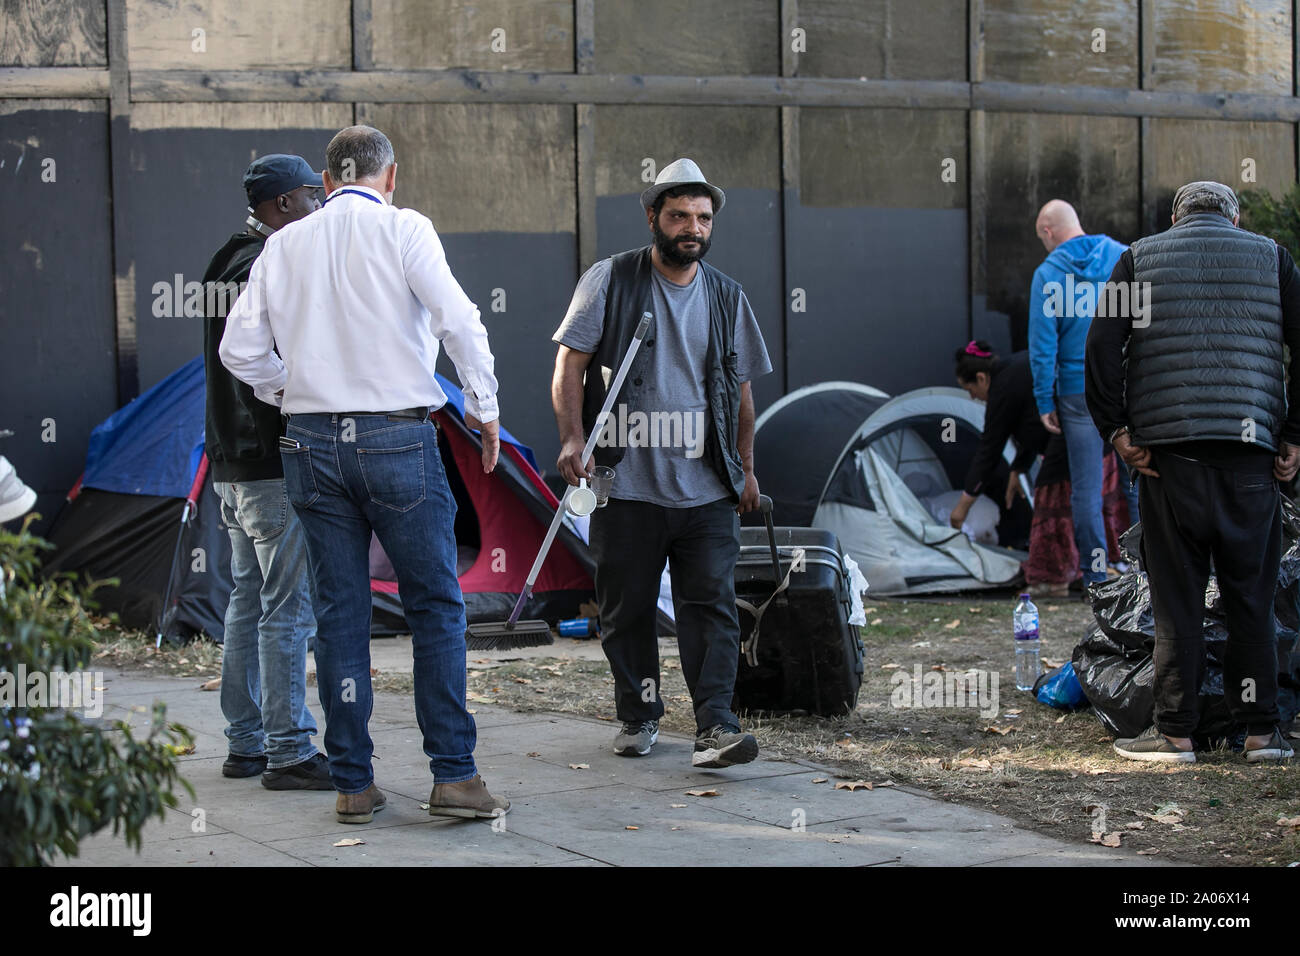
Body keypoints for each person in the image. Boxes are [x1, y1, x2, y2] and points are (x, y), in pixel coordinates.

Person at [220, 125, 511, 822]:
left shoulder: (283, 244)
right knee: (435, 607)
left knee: (339, 614)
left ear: (325, 183)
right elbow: (460, 322)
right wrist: (484, 407)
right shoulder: (407, 229)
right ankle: (454, 777)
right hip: (396, 440)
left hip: (311, 445)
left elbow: (240, 349)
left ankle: (353, 782)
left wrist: (289, 392)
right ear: (391, 175)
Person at [551, 158, 772, 767]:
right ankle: (640, 712)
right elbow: (570, 365)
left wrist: (746, 468)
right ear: (653, 217)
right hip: (625, 486)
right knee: (627, 611)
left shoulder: (728, 297)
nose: (692, 228)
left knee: (711, 609)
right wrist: (573, 439)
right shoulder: (611, 279)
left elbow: (743, 392)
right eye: (679, 215)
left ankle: (715, 727)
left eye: (702, 218)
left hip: (706, 490)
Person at [1086, 180, 1300, 763]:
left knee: (1177, 601)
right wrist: (1293, 435)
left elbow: (1101, 347)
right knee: (1251, 597)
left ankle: (1176, 735)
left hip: (1168, 461)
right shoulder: (1273, 258)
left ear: (1177, 219)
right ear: (1234, 219)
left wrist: (1119, 431)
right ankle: (1261, 734)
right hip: (1251, 455)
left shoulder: (1138, 258)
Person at [202, 154, 330, 789]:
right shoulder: (267, 264)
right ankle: (290, 751)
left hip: (228, 462)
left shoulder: (225, 256)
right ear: (283, 205)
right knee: (288, 607)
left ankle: (245, 743)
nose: (320, 208)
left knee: (246, 603)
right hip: (271, 463)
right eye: (312, 197)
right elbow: (264, 359)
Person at [952, 341, 1130, 598]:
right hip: (1095, 434)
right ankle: (1094, 571)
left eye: (969, 389)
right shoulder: (1017, 366)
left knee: (1055, 504)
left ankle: (1057, 577)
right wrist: (1019, 467)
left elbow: (989, 450)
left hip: (1071, 437)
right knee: (1092, 504)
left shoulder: (1001, 387)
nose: (972, 397)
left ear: (981, 378)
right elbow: (1031, 421)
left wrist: (961, 509)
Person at [1029, 201, 1129, 587]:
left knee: (1086, 488)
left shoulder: (1048, 274)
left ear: (1047, 231)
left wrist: (1043, 399)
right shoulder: (1122, 256)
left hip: (1076, 391)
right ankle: (1141, 567)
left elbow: (1042, 345)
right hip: (1122, 385)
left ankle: (1095, 574)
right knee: (1134, 476)